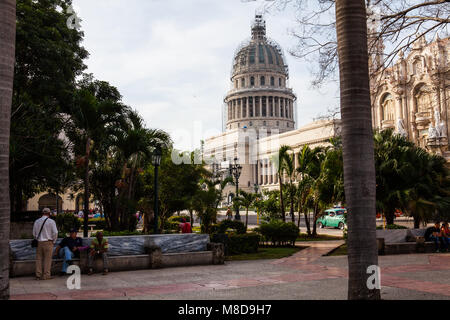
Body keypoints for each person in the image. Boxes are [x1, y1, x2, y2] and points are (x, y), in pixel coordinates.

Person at [33, 208, 58, 280]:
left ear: (42, 213)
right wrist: (53, 241)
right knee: (48, 259)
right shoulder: (51, 221)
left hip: (39, 242)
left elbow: (34, 233)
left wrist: (37, 238)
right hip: (48, 242)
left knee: (39, 259)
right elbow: (55, 232)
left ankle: (38, 275)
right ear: (49, 213)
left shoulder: (37, 221)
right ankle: (46, 275)